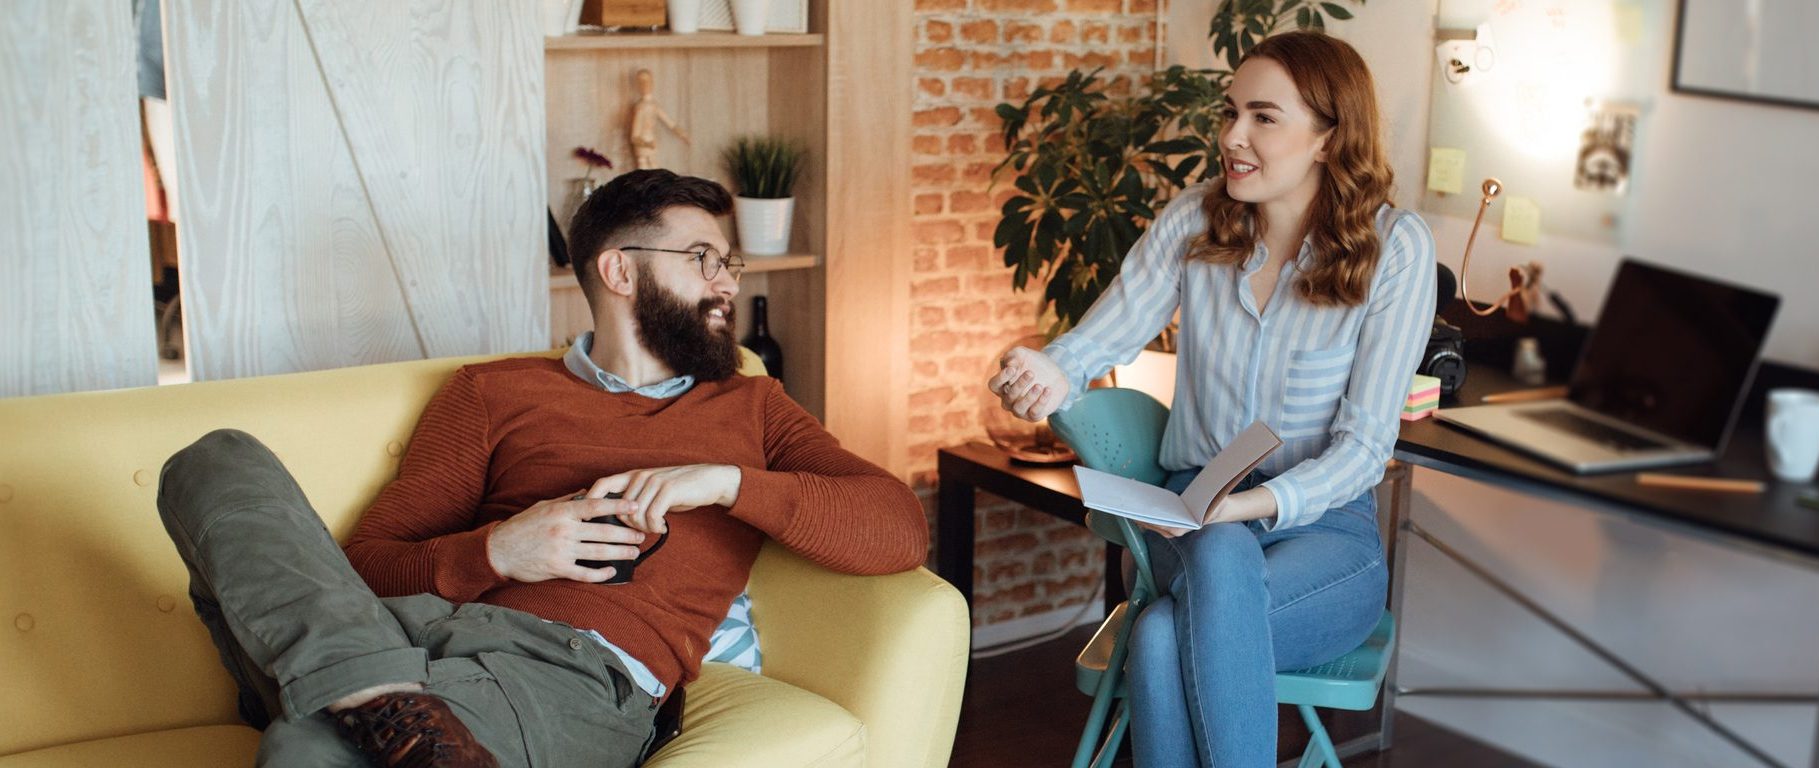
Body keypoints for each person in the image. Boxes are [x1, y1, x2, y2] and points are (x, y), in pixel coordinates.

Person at [158, 168, 927, 767]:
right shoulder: (491, 392)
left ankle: (353, 701)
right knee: (213, 460)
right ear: (621, 271)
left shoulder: (752, 410)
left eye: (729, 262)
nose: (728, 282)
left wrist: (724, 482)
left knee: (310, 748)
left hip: (569, 675)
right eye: (703, 260)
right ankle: (380, 698)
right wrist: (498, 550)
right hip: (407, 635)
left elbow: (898, 528)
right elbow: (363, 568)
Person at [988, 32, 1436, 767]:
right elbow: (1097, 339)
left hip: (1326, 540)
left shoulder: (1396, 249)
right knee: (1215, 554)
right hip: (1186, 522)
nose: (1232, 137)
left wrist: (1245, 506)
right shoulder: (1195, 222)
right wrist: (1046, 375)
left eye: (1264, 117)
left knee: (1163, 636)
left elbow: (1364, 449)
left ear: (1330, 137)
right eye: (1231, 113)